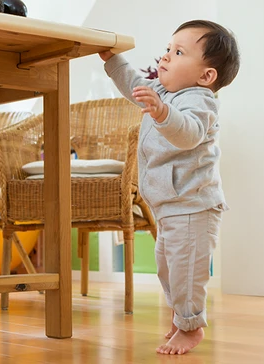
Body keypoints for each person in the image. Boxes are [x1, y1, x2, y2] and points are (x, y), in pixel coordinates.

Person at [99, 19, 240, 355]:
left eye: (178, 52)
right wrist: (111, 60)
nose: (165, 57)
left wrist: (162, 113)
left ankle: (192, 327)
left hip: (193, 205)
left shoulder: (199, 101)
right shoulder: (164, 92)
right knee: (168, 267)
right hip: (170, 206)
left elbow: (188, 132)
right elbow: (133, 83)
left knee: (186, 270)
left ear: (206, 76)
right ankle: (182, 317)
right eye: (167, 48)